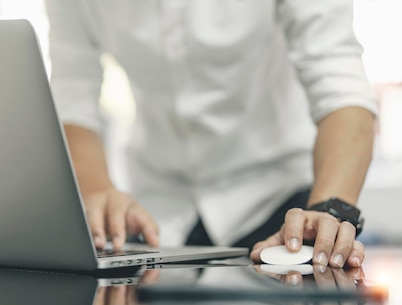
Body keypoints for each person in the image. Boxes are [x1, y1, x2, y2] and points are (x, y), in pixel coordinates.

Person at [44, 1, 377, 268]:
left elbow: (339, 86)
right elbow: (72, 96)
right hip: (157, 214)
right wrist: (98, 191)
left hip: (281, 205)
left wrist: (330, 210)